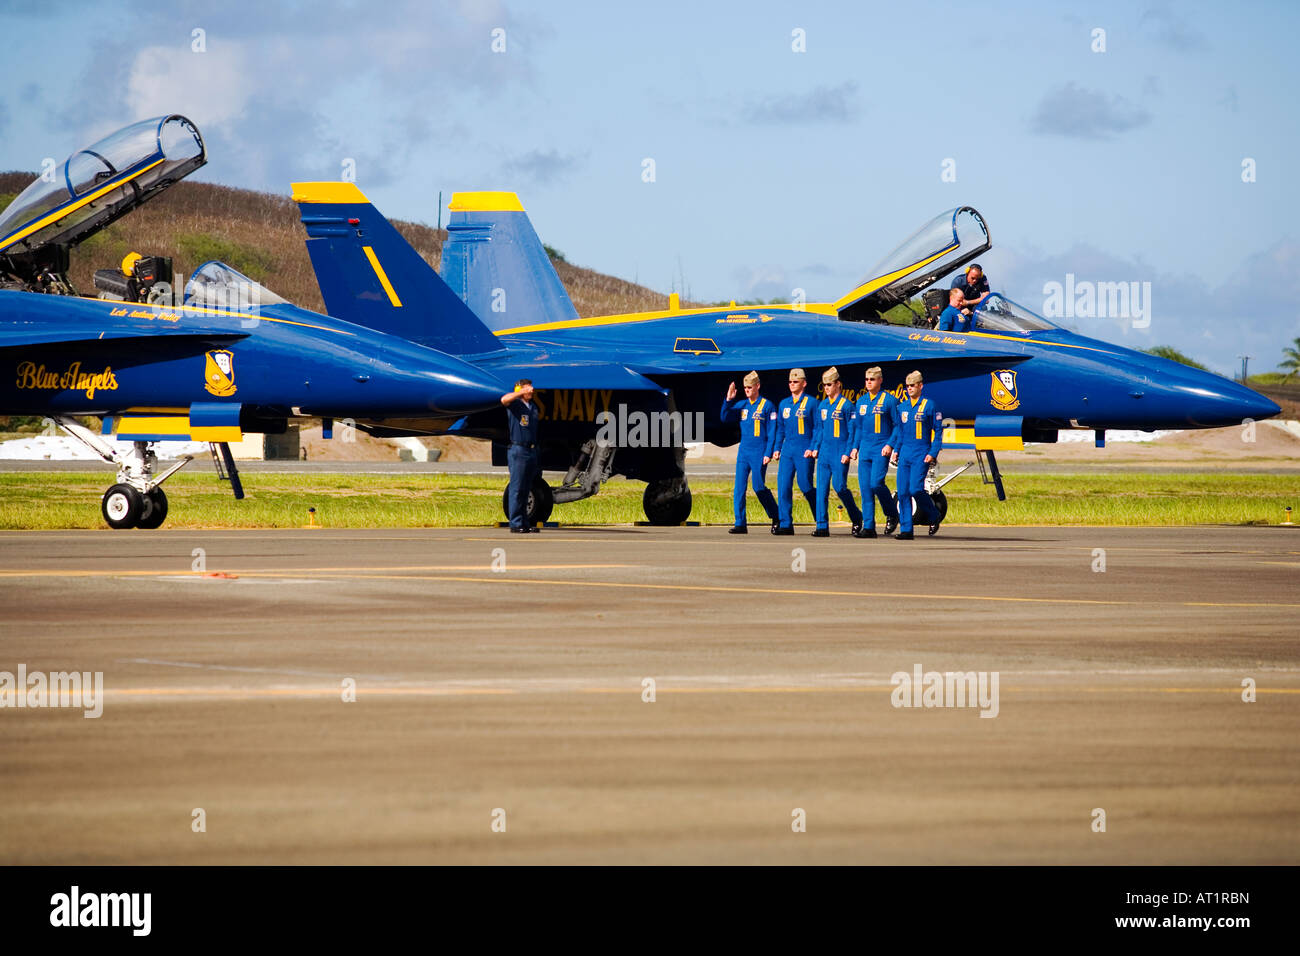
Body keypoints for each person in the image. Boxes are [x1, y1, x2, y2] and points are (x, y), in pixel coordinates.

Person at [720, 371, 780, 534]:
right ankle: (740, 522)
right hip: (744, 451)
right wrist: (729, 399)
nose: (747, 390)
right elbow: (724, 417)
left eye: (749, 387)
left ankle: (776, 515)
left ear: (757, 386)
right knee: (739, 487)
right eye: (745, 387)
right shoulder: (743, 406)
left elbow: (772, 431)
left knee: (758, 486)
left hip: (759, 451)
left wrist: (769, 452)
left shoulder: (767, 406)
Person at [848, 367, 901, 538]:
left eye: (872, 379)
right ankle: (869, 527)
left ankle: (892, 512)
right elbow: (858, 428)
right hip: (865, 448)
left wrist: (890, 445)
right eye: (867, 379)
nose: (869, 382)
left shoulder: (890, 401)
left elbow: (898, 426)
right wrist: (854, 447)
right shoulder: (861, 402)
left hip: (881, 448)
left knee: (876, 483)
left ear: (880, 380)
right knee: (865, 488)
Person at [891, 370, 944, 539]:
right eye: (907, 386)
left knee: (915, 488)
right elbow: (900, 432)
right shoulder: (902, 407)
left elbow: (938, 431)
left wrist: (933, 453)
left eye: (912, 385)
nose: (909, 389)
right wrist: (896, 450)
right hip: (905, 452)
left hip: (921, 453)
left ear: (920, 386)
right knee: (902, 492)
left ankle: (933, 514)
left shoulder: (929, 405)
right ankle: (906, 530)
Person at [811, 367, 863, 537]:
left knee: (839, 487)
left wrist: (848, 451)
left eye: (829, 384)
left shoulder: (847, 406)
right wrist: (814, 447)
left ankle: (856, 516)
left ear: (838, 384)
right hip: (825, 452)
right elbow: (818, 429)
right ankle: (822, 526)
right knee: (821, 489)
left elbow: (853, 430)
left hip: (840, 451)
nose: (826, 388)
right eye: (824, 385)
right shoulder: (822, 405)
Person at [771, 368, 818, 535]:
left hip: (804, 449)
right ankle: (785, 524)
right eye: (790, 382)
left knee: (805, 486)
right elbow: (780, 430)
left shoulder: (812, 403)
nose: (792, 384)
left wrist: (813, 448)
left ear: (804, 383)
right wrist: (776, 449)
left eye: (796, 382)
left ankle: (820, 518)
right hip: (788, 449)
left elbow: (817, 428)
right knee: (783, 486)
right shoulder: (784, 404)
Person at [501, 378, 541, 532]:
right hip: (518, 450)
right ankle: (516, 523)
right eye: (528, 388)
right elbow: (504, 399)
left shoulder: (532, 407)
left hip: (531, 450)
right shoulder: (515, 405)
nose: (531, 390)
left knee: (526, 488)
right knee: (517, 488)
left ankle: (525, 522)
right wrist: (519, 393)